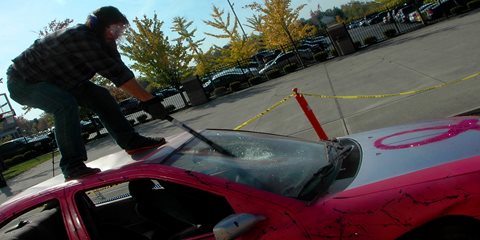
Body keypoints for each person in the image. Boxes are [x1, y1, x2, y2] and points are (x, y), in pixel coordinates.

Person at [6, 6, 168, 180]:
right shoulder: (80, 36)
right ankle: (72, 165)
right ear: (98, 25)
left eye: (121, 29)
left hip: (61, 81)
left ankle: (132, 142)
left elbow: (120, 68)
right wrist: (149, 100)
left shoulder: (105, 42)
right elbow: (115, 74)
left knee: (100, 95)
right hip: (23, 82)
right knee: (64, 104)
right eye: (115, 28)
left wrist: (145, 99)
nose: (118, 34)